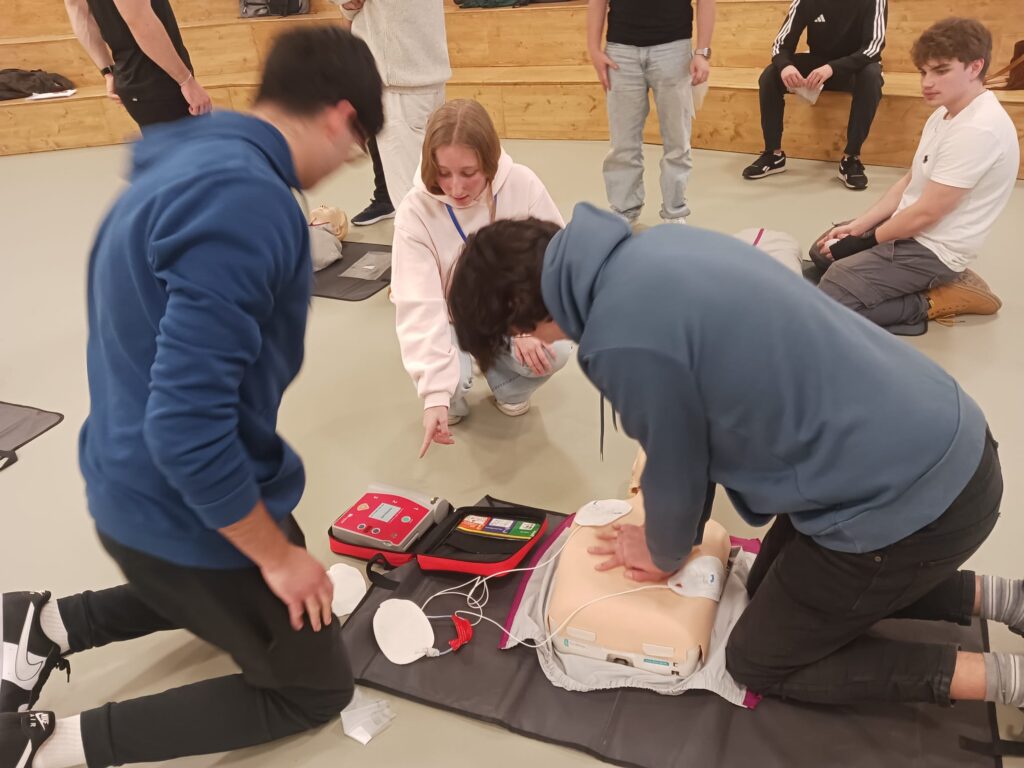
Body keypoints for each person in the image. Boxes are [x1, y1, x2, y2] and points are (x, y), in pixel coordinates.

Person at [445, 201, 1023, 713]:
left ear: (522, 314)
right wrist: (671, 531)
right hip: (938, 432)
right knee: (766, 588)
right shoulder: (652, 246)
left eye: (515, 336)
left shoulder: (620, 337)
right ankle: (1004, 598)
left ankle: (1008, 679)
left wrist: (662, 550)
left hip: (917, 496)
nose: (533, 347)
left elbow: (677, 464)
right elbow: (687, 436)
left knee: (758, 660)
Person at [0, 27, 383, 768]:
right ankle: (44, 750)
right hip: (176, 498)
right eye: (356, 148)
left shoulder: (196, 152)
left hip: (132, 474)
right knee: (311, 686)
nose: (344, 166)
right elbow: (184, 426)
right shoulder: (249, 202)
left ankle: (43, 625)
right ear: (341, 118)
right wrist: (273, 556)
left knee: (275, 576)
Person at [391, 99, 573, 458]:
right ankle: (454, 389)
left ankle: (508, 388)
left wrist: (524, 328)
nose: (455, 187)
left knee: (557, 348)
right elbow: (419, 305)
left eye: (468, 172)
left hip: (507, 319)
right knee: (448, 390)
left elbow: (556, 263)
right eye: (443, 172)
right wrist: (434, 397)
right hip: (450, 320)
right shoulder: (415, 212)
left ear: (489, 162)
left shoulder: (522, 184)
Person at [815, 18, 1018, 335]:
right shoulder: (945, 112)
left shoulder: (979, 129)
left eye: (941, 71)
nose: (927, 82)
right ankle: (890, 271)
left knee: (832, 296)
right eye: (924, 71)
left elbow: (927, 213)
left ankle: (939, 296)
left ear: (975, 66)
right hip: (909, 228)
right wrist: (859, 226)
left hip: (934, 248)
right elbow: (911, 181)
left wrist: (858, 244)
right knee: (823, 250)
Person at [587, 0, 715, 225]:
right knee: (623, 143)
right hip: (620, 52)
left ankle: (675, 212)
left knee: (677, 140)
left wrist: (702, 53)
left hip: (674, 49)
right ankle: (624, 212)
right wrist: (594, 49)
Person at [742, 0, 887, 190]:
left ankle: (851, 158)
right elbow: (780, 45)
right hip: (819, 65)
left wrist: (832, 68)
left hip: (854, 66)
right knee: (770, 75)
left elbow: (873, 48)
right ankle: (773, 154)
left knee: (872, 76)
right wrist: (786, 66)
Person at [339, 0, 451, 223]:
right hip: (425, 68)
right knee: (435, 189)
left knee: (413, 202)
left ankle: (428, 254)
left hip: (398, 76)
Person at [63, 0, 212, 128]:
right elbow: (139, 21)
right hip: (160, 79)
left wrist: (108, 71)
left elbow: (77, 10)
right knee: (200, 157)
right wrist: (185, 80)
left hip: (133, 80)